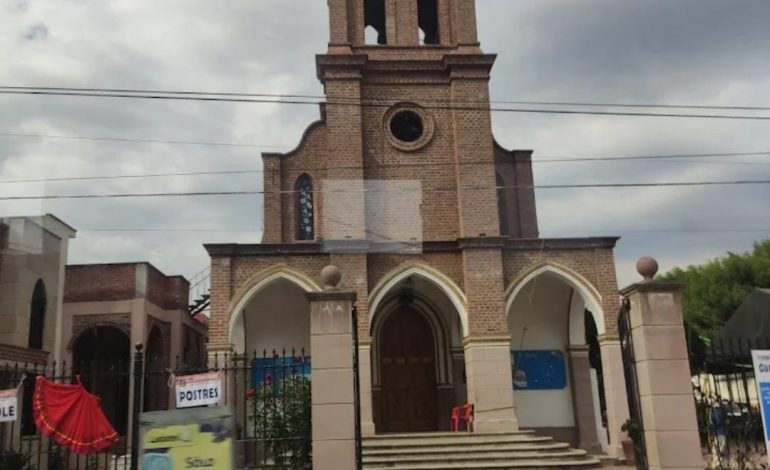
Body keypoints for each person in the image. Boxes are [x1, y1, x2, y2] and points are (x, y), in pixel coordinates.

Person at [709, 396, 728, 468]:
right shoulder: (714, 410)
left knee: (720, 448)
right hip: (719, 432)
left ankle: (719, 464)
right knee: (718, 448)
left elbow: (717, 420)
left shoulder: (719, 409)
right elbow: (713, 421)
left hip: (720, 432)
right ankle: (718, 464)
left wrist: (714, 427)